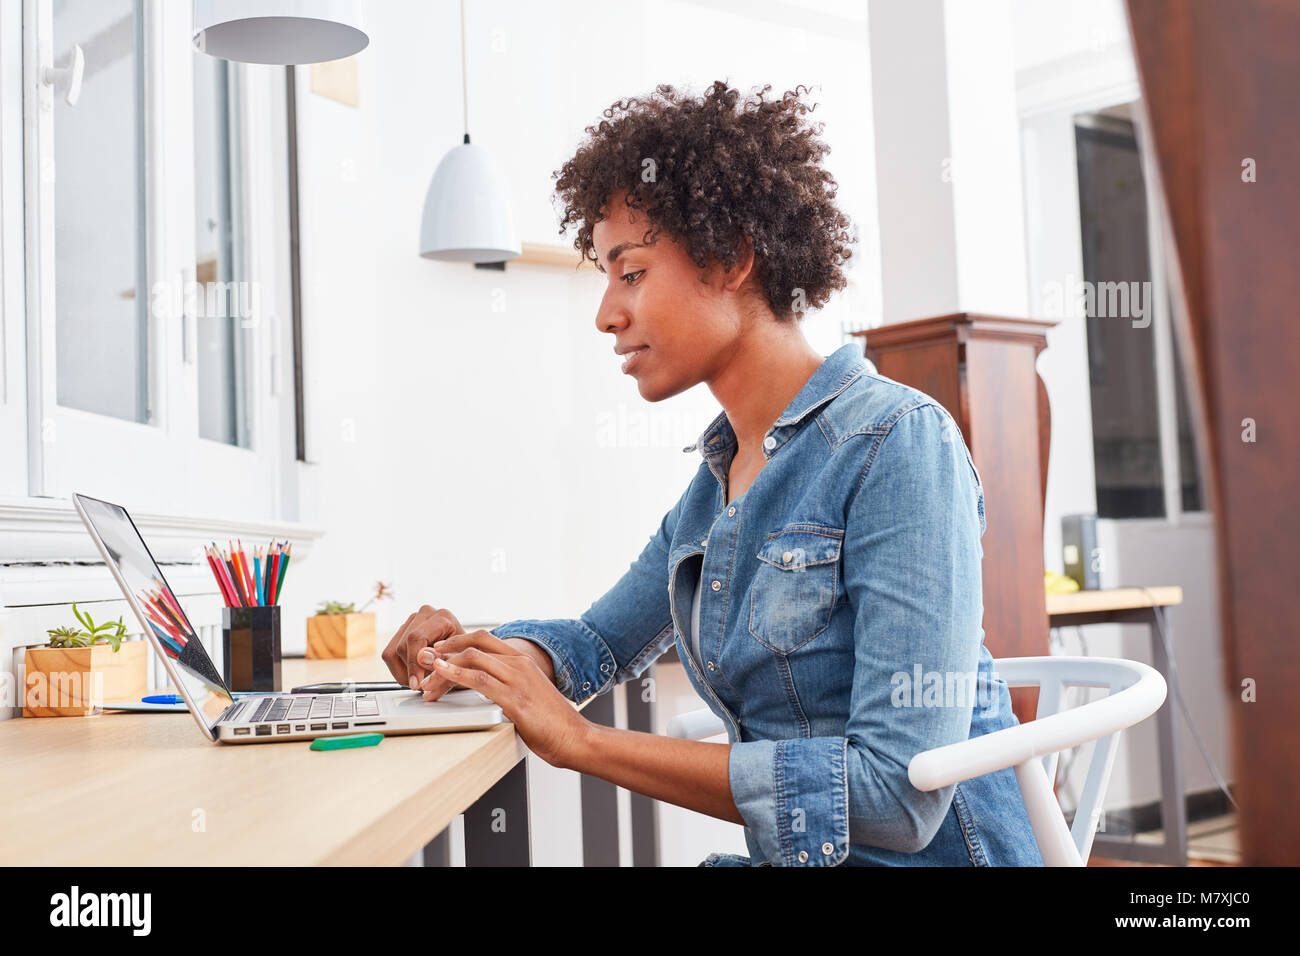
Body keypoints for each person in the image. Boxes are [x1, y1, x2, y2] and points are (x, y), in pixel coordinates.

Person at [383, 80, 1044, 867]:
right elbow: (597, 642)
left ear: (731, 259)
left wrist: (585, 742)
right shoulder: (718, 483)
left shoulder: (899, 445)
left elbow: (896, 797)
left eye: (629, 273)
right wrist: (476, 654)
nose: (604, 313)